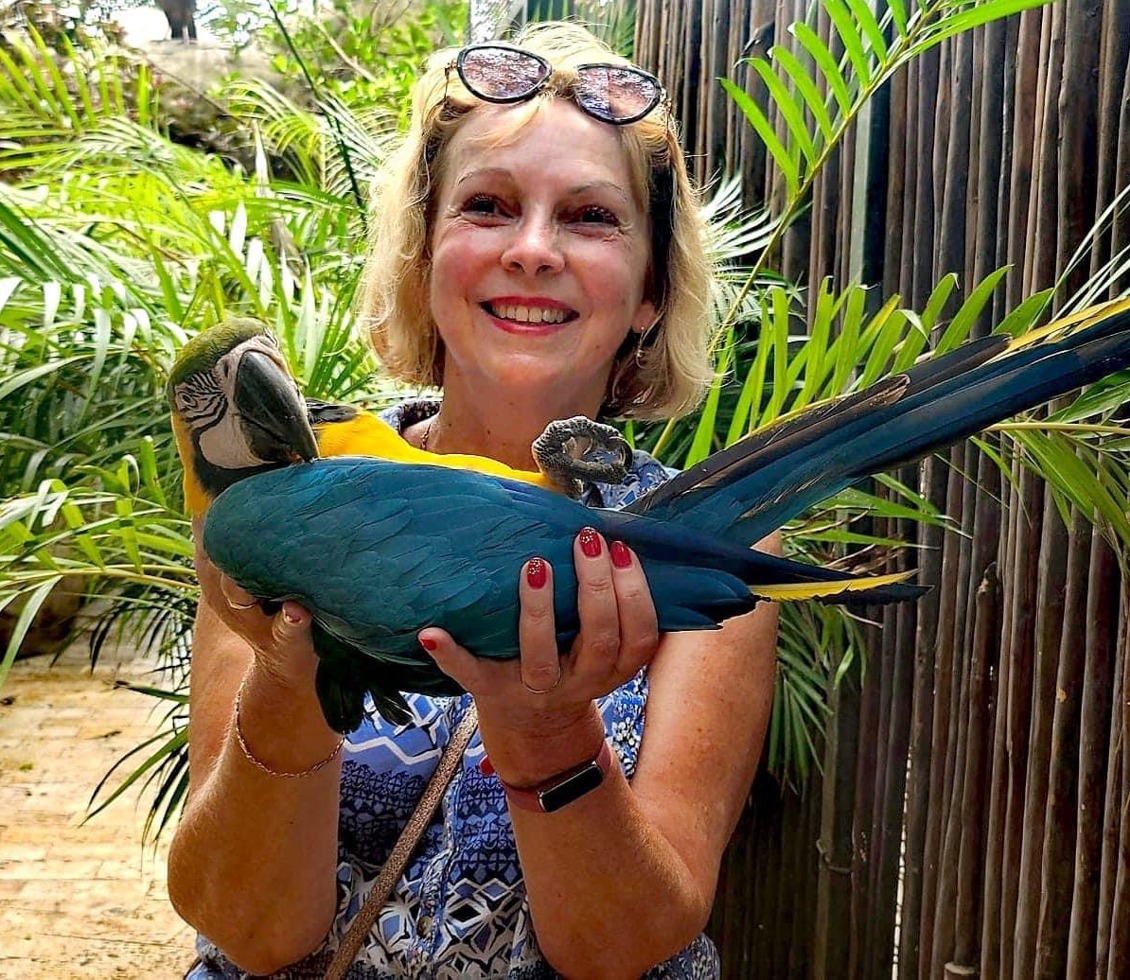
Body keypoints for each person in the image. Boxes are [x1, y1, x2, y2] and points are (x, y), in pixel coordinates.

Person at [168, 20, 778, 978]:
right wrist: (290, 679)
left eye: (589, 217)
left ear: (651, 288)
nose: (533, 250)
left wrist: (546, 729)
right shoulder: (292, 496)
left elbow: (621, 945)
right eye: (488, 206)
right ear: (422, 253)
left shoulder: (695, 559)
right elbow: (250, 930)